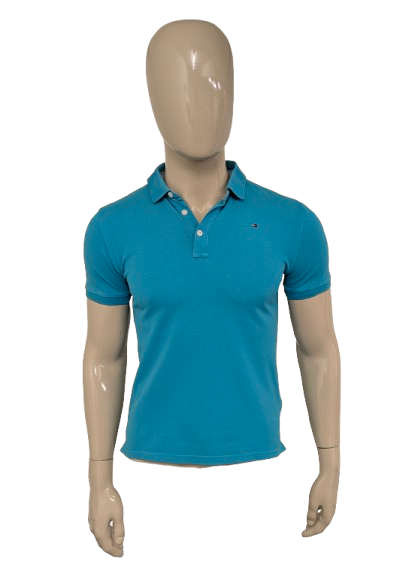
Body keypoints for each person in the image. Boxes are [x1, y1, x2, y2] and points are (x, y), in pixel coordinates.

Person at [83, 18, 341, 557]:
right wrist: (99, 478)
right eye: (178, 83)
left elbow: (318, 350)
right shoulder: (112, 228)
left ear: (236, 92)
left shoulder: (292, 224)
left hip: (262, 476)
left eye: (215, 82)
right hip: (148, 480)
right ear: (151, 98)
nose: (200, 100)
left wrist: (331, 463)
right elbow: (105, 357)